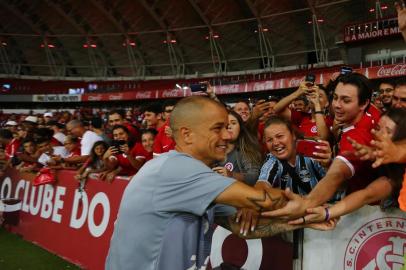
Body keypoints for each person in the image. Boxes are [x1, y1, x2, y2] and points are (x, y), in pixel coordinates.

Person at [105, 96, 336, 270]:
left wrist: (303, 220)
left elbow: (242, 226)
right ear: (187, 135)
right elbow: (262, 200)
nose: (227, 136)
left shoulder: (193, 177)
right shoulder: (175, 169)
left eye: (227, 127)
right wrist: (307, 205)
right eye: (218, 128)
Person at [262, 73, 380, 220]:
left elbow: (336, 175)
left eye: (346, 100)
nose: (337, 105)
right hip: (360, 202)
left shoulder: (357, 136)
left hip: (370, 214)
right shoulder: (370, 113)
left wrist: (307, 203)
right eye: (335, 97)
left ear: (363, 104)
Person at [295, 108, 406, 223]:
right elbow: (366, 195)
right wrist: (327, 213)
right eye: (377, 128)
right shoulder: (385, 172)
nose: (378, 135)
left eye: (388, 131)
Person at [257, 116, 333, 196]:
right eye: (269, 140)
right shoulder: (272, 159)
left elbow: (337, 188)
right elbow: (261, 186)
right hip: (298, 207)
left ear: (293, 135)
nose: (275, 143)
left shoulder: (312, 152)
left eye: (280, 136)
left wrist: (328, 166)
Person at [212, 110, 263, 186]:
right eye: (225, 124)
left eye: (233, 123)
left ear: (240, 129)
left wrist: (232, 175)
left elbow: (255, 177)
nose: (229, 126)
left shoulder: (246, 149)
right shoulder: (212, 151)